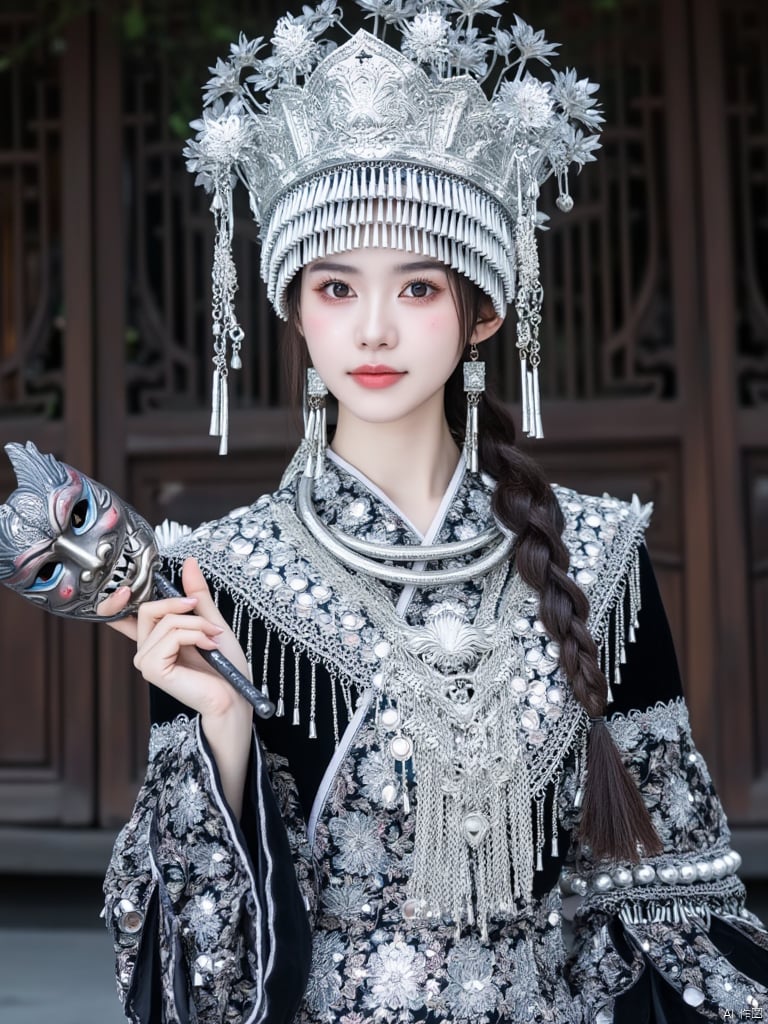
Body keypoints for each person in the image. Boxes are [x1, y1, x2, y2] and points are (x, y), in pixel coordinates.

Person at [99, 4, 768, 1022]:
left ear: (483, 310)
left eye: (416, 287)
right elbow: (196, 967)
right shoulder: (218, 579)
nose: (372, 328)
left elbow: (679, 911)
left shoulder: (595, 556)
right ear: (293, 307)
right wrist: (222, 732)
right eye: (335, 287)